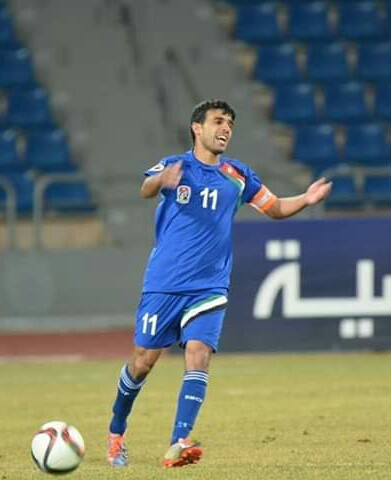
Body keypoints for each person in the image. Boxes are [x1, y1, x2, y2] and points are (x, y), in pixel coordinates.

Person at [106, 99, 332, 468]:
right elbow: (146, 188)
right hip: (164, 282)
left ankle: (178, 442)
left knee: (199, 353)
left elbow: (274, 207)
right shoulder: (176, 165)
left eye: (229, 123)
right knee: (142, 362)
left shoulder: (237, 175)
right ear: (197, 128)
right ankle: (117, 431)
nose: (225, 128)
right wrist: (161, 180)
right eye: (217, 121)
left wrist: (305, 199)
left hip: (210, 285)